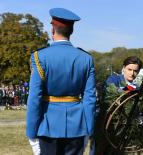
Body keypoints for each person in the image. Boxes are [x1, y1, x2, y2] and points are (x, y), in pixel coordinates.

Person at [26, 8, 96, 155]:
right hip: (77, 126)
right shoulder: (86, 58)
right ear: (71, 31)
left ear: (52, 29)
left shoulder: (40, 57)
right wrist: (90, 129)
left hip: (48, 125)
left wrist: (31, 132)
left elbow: (34, 97)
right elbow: (90, 99)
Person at [95, 56, 143, 155]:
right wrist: (131, 89)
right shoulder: (114, 79)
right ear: (123, 68)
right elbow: (111, 92)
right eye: (129, 69)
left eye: (135, 71)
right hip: (110, 125)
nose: (132, 73)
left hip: (126, 127)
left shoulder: (137, 87)